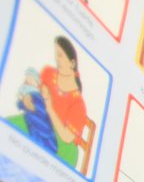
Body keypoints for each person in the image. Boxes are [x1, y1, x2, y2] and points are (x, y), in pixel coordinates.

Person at [7, 37, 88, 168]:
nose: (57, 59)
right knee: (9, 127)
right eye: (56, 55)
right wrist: (27, 97)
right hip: (36, 118)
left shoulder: (79, 105)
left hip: (62, 146)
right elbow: (32, 89)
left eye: (60, 55)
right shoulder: (49, 73)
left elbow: (66, 138)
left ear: (72, 63)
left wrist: (50, 107)